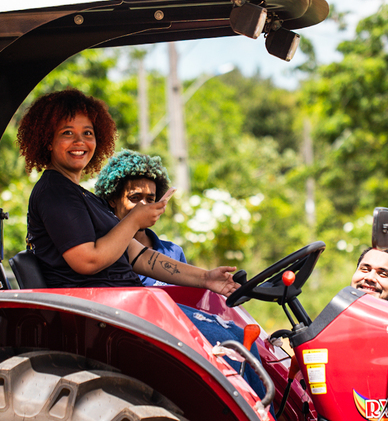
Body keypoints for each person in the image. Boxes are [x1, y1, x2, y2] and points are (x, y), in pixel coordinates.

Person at [17, 88, 236, 296]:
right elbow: (87, 261)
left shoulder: (84, 197)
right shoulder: (55, 192)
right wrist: (134, 220)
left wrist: (206, 278)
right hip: (101, 315)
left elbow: (139, 256)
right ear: (47, 141)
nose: (80, 141)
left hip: (125, 305)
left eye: (87, 133)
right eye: (67, 133)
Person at [94, 149, 186, 287]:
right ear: (112, 199)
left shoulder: (173, 252)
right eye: (134, 198)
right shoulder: (100, 253)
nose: (143, 206)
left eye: (150, 199)